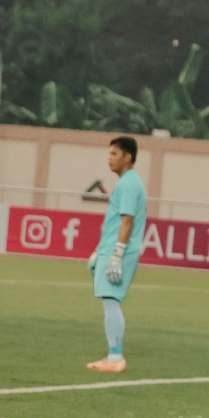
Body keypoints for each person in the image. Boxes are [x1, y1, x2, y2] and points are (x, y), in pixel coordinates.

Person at [85, 136, 147, 373]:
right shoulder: (125, 182)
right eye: (109, 154)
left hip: (119, 250)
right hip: (109, 248)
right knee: (109, 301)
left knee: (111, 300)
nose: (109, 158)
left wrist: (116, 255)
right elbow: (114, 223)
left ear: (128, 157)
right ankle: (113, 356)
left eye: (114, 154)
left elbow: (127, 221)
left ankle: (115, 359)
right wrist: (99, 251)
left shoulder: (129, 183)